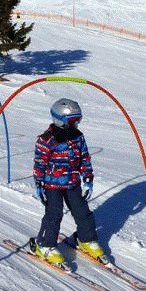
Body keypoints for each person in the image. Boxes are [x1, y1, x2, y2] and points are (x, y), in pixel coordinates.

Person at [31, 98, 106, 266]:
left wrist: (87, 178)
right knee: (54, 214)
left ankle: (85, 239)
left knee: (83, 212)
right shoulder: (46, 140)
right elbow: (40, 164)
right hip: (52, 185)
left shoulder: (78, 138)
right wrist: (39, 183)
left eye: (78, 120)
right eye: (73, 121)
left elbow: (84, 158)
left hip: (72, 183)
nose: (76, 125)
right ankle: (44, 245)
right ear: (60, 120)